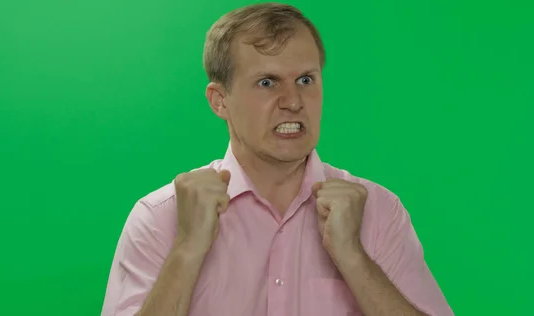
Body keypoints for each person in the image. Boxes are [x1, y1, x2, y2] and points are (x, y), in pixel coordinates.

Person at [100, 3, 453, 316]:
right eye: (267, 82)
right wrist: (187, 251)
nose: (293, 101)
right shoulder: (161, 217)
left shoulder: (379, 212)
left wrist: (355, 260)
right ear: (220, 100)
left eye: (305, 79)